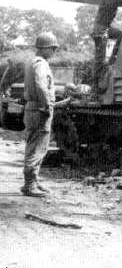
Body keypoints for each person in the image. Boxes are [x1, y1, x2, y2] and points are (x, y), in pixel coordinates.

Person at [21, 32, 70, 197]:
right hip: (39, 110)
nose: (54, 52)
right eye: (53, 48)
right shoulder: (41, 64)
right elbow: (41, 86)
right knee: (37, 148)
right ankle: (30, 185)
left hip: (33, 108)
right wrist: (47, 106)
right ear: (45, 48)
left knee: (33, 145)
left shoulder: (32, 62)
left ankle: (32, 181)